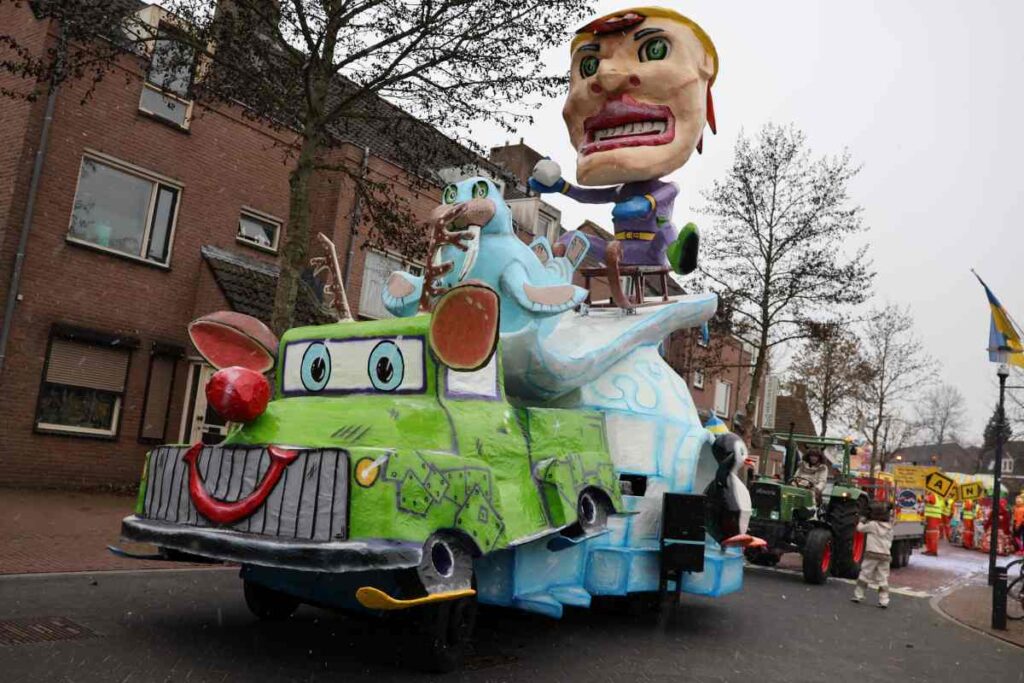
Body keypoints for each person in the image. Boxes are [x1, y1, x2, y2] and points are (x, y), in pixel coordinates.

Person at [530, 7, 717, 274]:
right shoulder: (620, 192)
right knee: (573, 238)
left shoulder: (663, 189)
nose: (607, 76)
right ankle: (551, 271)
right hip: (617, 251)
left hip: (652, 250)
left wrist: (646, 203)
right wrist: (562, 187)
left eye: (655, 49)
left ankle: (678, 254)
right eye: (589, 65)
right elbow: (588, 196)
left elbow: (667, 194)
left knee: (667, 230)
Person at [852, 501, 894, 608]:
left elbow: (859, 529)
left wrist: (861, 521)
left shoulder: (873, 525)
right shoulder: (890, 528)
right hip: (885, 556)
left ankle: (858, 595)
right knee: (883, 578)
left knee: (865, 574)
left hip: (871, 554)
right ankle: (884, 600)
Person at [923, 491, 943, 556]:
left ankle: (933, 551)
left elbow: (926, 500)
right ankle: (930, 550)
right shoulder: (937, 496)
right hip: (933, 517)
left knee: (932, 535)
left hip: (933, 517)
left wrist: (922, 497)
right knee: (929, 534)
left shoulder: (932, 495)